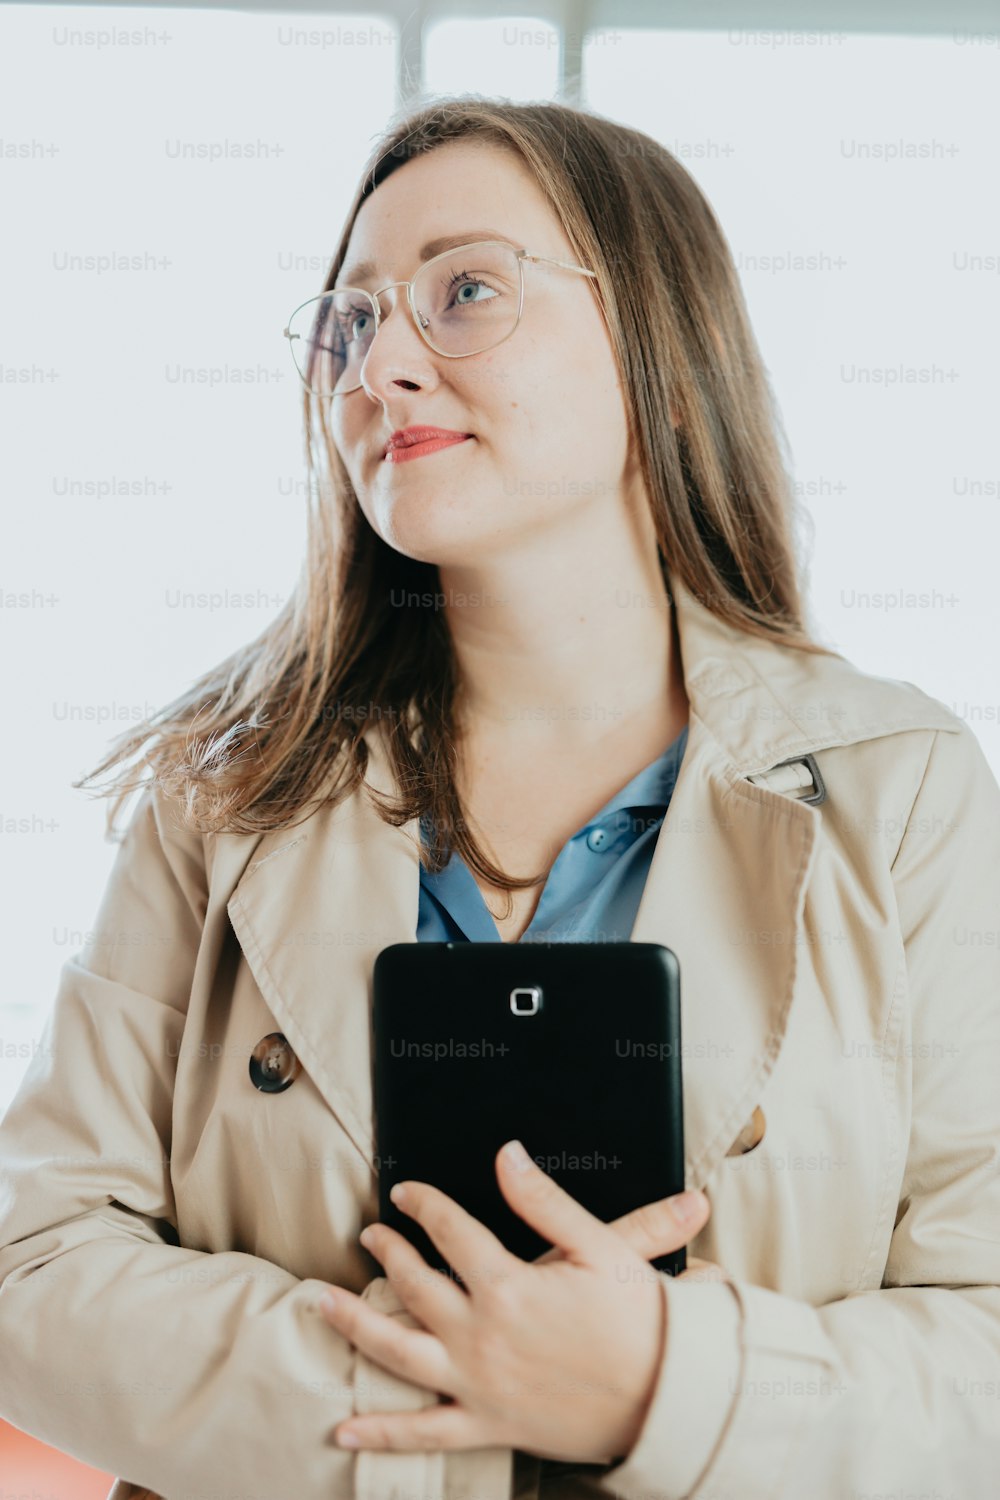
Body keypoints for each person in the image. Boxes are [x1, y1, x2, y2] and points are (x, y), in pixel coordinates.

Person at [0, 94, 998, 1500]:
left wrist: (659, 1384)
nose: (379, 365)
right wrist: (452, 1388)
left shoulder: (903, 787)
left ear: (656, 337)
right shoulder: (222, 791)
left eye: (465, 291)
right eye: (349, 323)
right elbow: (33, 1271)